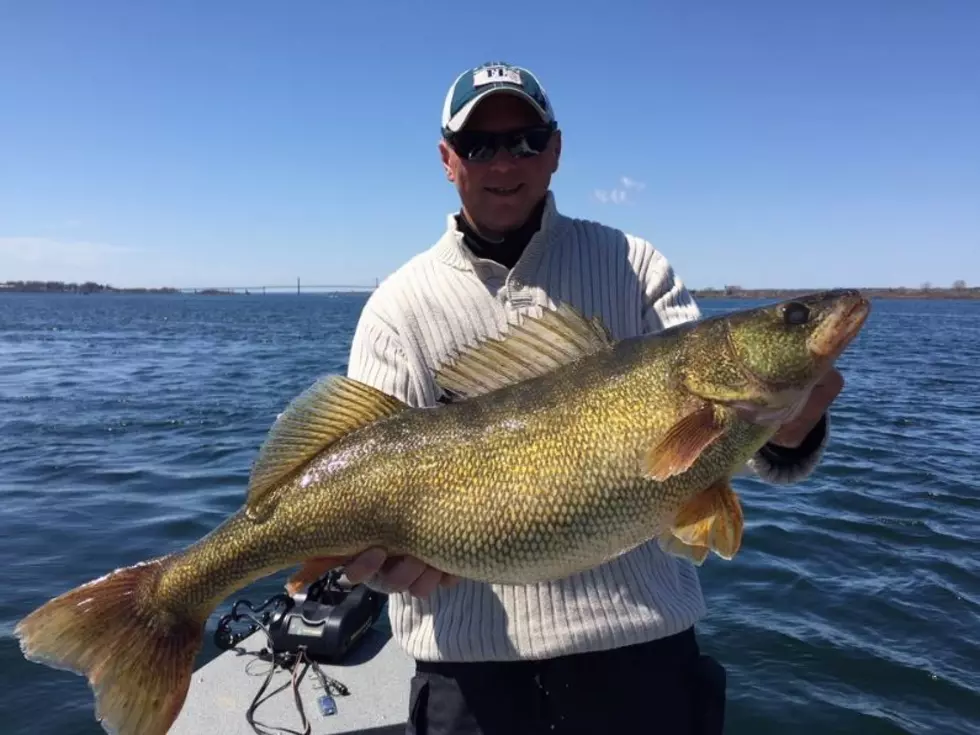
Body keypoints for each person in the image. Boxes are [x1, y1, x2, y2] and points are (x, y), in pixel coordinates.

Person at [339, 61, 842, 734]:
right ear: (446, 159)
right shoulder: (397, 308)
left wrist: (790, 432)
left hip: (639, 660)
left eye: (524, 139)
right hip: (471, 678)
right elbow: (362, 475)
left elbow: (723, 455)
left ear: (555, 150)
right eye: (479, 144)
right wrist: (377, 565)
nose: (503, 161)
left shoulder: (633, 266)